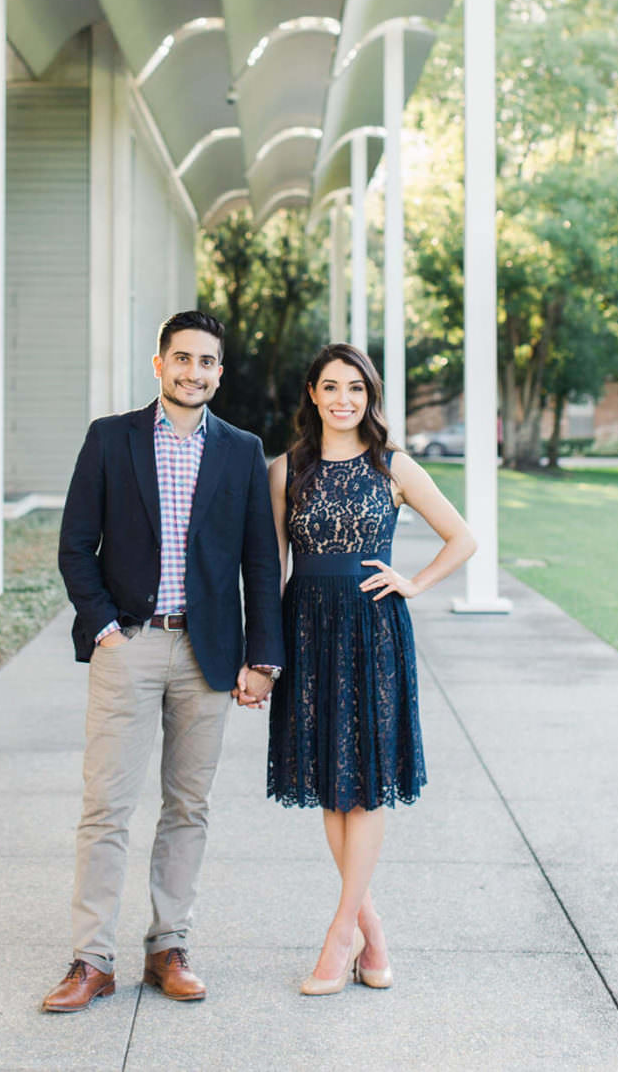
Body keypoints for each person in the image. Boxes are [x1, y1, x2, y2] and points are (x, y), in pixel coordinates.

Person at [42, 311, 283, 1013]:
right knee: (106, 806)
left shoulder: (241, 450)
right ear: (159, 364)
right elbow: (74, 546)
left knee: (188, 804)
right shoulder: (110, 438)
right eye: (182, 358)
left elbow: (261, 565)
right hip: (132, 643)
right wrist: (107, 630)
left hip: (209, 654)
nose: (194, 372)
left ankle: (167, 947)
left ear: (219, 372)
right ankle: (92, 960)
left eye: (207, 362)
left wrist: (261, 657)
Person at [264, 343, 474, 994]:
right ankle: (372, 927)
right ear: (313, 394)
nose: (343, 399)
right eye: (331, 386)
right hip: (308, 629)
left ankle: (338, 936)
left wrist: (413, 583)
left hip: (373, 628)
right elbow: (272, 569)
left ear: (369, 394)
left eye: (355, 387)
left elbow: (462, 537)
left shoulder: (394, 465)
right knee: (333, 782)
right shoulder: (285, 469)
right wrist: (264, 653)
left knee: (366, 781)